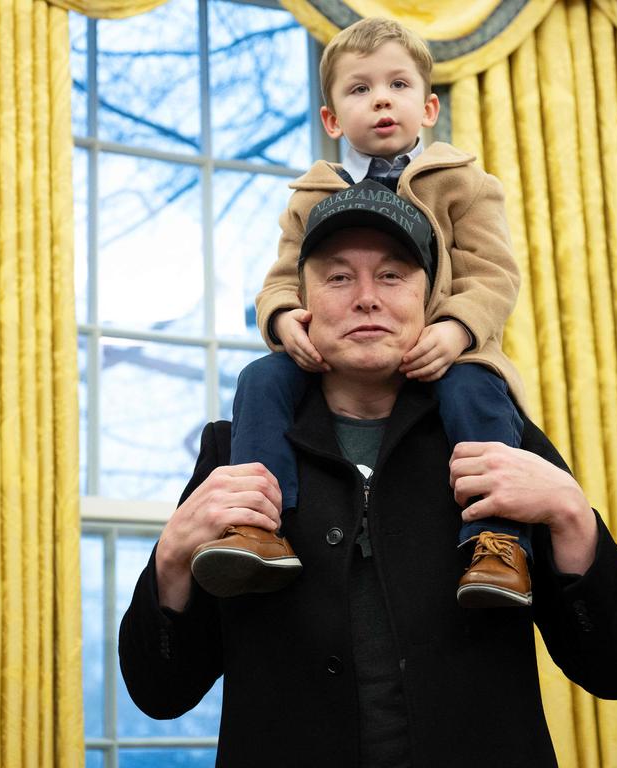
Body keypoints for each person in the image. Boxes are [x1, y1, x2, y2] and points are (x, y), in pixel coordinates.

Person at [119, 190, 617, 767]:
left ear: (430, 302)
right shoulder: (233, 451)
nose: (367, 299)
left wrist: (574, 517)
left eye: (393, 275)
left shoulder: (504, 441)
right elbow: (161, 692)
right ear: (301, 304)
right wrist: (172, 557)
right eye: (339, 278)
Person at [192, 17, 531, 608]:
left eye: (398, 85)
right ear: (331, 120)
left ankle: (497, 541)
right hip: (340, 354)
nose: (380, 99)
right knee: (261, 378)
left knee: (475, 393)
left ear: (427, 108)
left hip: (448, 350)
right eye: (358, 89)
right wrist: (282, 320)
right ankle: (258, 525)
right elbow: (282, 279)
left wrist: (455, 329)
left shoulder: (463, 183)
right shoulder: (312, 195)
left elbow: (493, 273)